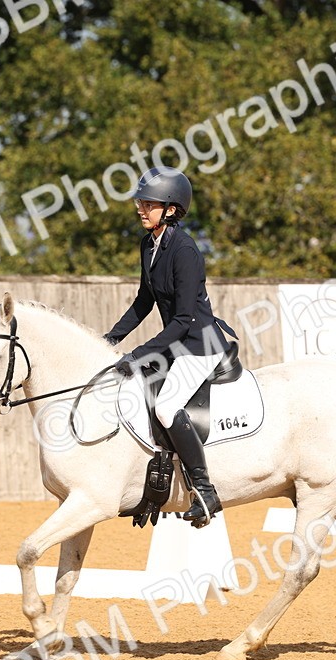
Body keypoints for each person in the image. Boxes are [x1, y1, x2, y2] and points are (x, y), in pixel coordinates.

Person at [105, 167, 237, 526]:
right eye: (141, 202)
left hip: (200, 343)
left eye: (149, 203)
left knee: (165, 407)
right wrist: (111, 339)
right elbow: (143, 301)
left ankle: (205, 491)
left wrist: (140, 353)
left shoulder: (185, 250)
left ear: (171, 209)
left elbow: (181, 320)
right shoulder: (148, 244)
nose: (140, 208)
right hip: (178, 341)